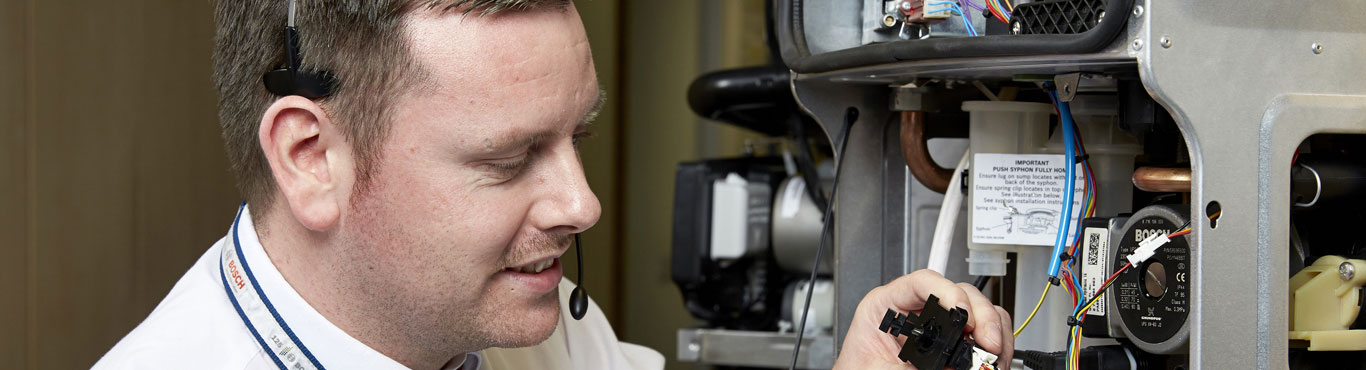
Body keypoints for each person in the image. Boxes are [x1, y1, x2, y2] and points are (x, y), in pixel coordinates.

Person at [95, 1, 1013, 369]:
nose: (582, 205)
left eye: (577, 135)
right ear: (309, 156)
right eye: (508, 159)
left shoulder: (524, 332)